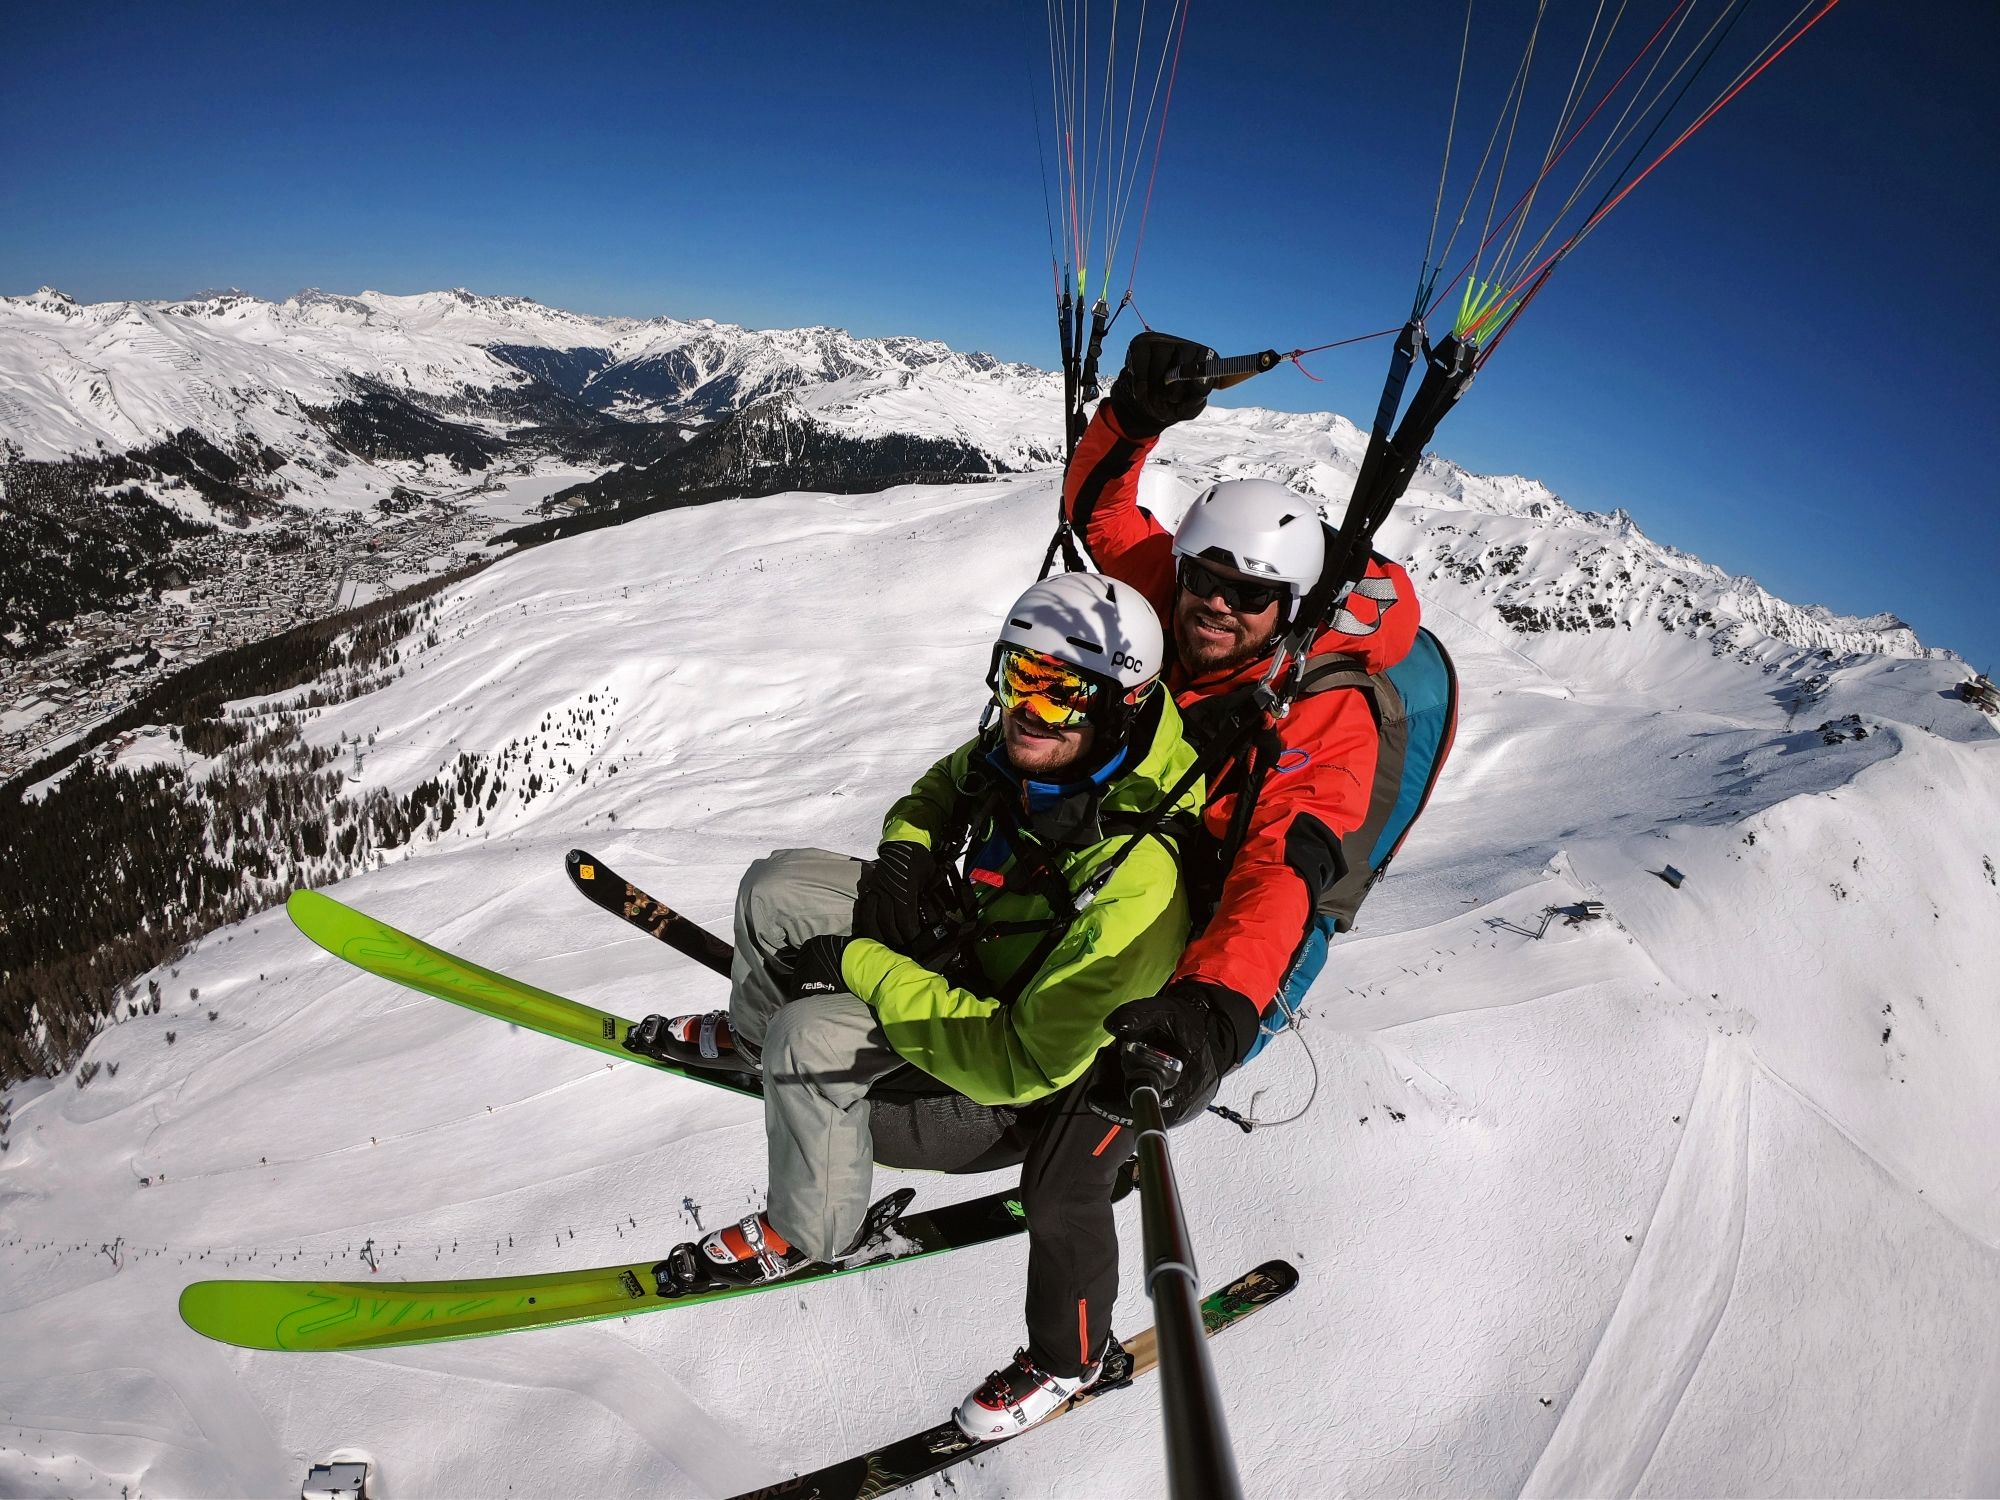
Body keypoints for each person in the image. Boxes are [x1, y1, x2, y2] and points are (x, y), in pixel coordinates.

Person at [648, 570, 1206, 1439]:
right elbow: (936, 791)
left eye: (1057, 692)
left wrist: (866, 966)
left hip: (997, 1079)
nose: (1027, 707)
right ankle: (751, 1038)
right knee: (776, 888)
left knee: (807, 1034)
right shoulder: (1033, 748)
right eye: (1017, 676)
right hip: (970, 949)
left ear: (1121, 707)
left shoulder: (1140, 885)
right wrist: (906, 853)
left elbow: (1026, 1063)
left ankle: (808, 1229)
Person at [1062, 330, 1425, 1116]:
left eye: (1250, 595)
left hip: (1210, 925)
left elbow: (1279, 869)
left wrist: (1210, 1007)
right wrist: (1131, 417)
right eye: (1205, 578)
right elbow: (1101, 519)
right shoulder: (1174, 590)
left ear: (1290, 608)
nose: (1217, 605)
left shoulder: (1325, 709)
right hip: (1124, 849)